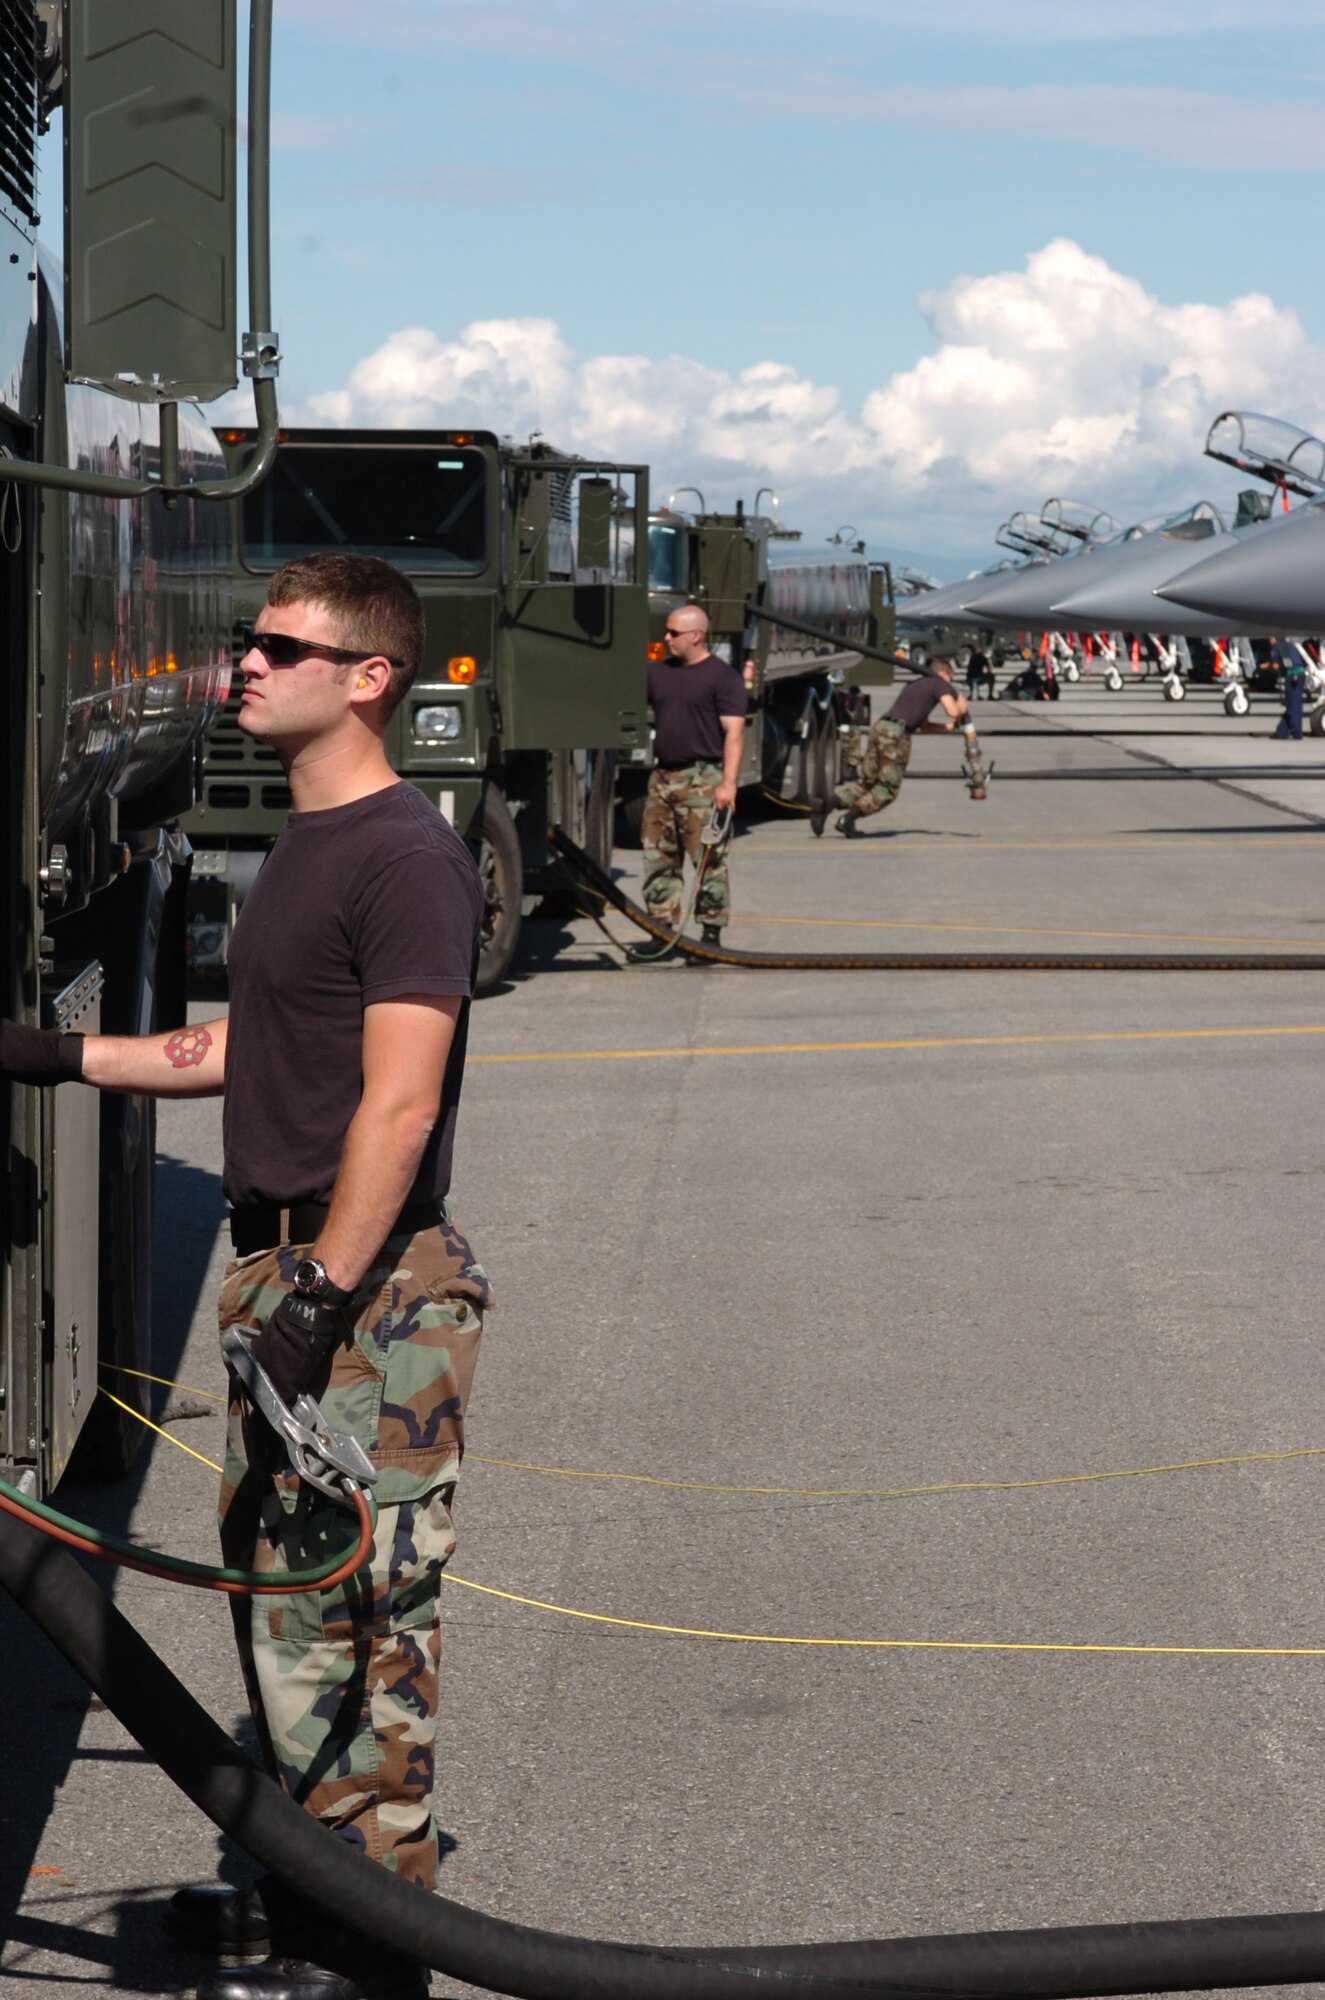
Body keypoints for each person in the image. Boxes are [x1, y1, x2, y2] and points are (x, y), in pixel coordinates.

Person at [0, 552, 489, 2000]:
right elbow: (235, 1055)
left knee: (357, 1626)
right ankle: (298, 1877)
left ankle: (373, 1946)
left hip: (374, 1293)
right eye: (247, 640)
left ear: (368, 679)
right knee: (277, 1617)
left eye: (281, 645)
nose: (246, 662)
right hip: (295, 1280)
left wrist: (324, 1296)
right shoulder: (305, 849)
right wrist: (49, 1056)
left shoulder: (404, 854)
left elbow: (398, 1107)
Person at [644, 602, 747, 947]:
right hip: (662, 779)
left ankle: (710, 934)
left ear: (696, 635)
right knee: (658, 857)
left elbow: (734, 733)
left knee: (708, 860)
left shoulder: (722, 677)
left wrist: (727, 783)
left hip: (702, 780)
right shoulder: (658, 672)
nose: (666, 637)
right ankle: (661, 931)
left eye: (674, 632)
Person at [810, 657, 969, 837]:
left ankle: (825, 805)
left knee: (868, 783)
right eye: (950, 678)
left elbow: (926, 727)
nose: (950, 686)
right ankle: (848, 819)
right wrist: (962, 707)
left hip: (881, 728)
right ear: (943, 673)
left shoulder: (915, 685)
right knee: (888, 789)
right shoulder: (939, 683)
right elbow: (953, 711)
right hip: (896, 735)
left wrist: (954, 726)